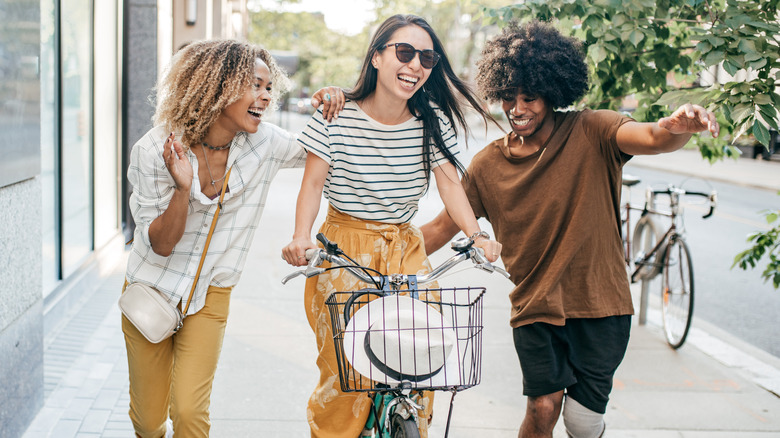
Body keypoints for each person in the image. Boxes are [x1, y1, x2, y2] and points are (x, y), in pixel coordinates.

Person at [420, 21, 719, 438]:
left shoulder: (592, 130)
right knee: (543, 408)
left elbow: (651, 137)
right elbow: (441, 226)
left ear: (553, 92)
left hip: (601, 305)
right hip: (535, 306)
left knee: (581, 422)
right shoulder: (488, 166)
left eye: (530, 97)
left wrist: (679, 127)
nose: (518, 109)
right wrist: (382, 253)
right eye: (509, 98)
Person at [280, 14, 503, 438]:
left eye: (427, 57)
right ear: (378, 56)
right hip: (342, 249)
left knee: (422, 359)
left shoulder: (431, 120)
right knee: (346, 374)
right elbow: (311, 186)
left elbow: (451, 185)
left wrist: (477, 236)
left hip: (404, 249)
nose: (415, 64)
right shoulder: (336, 115)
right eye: (404, 52)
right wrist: (300, 238)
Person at [123, 39, 344, 438]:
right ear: (217, 85)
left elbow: (321, 147)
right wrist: (181, 188)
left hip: (210, 294)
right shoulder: (155, 149)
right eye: (255, 85)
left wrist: (336, 100)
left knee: (190, 414)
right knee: (148, 421)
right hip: (151, 290)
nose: (266, 96)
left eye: (268, 87)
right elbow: (162, 244)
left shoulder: (265, 143)